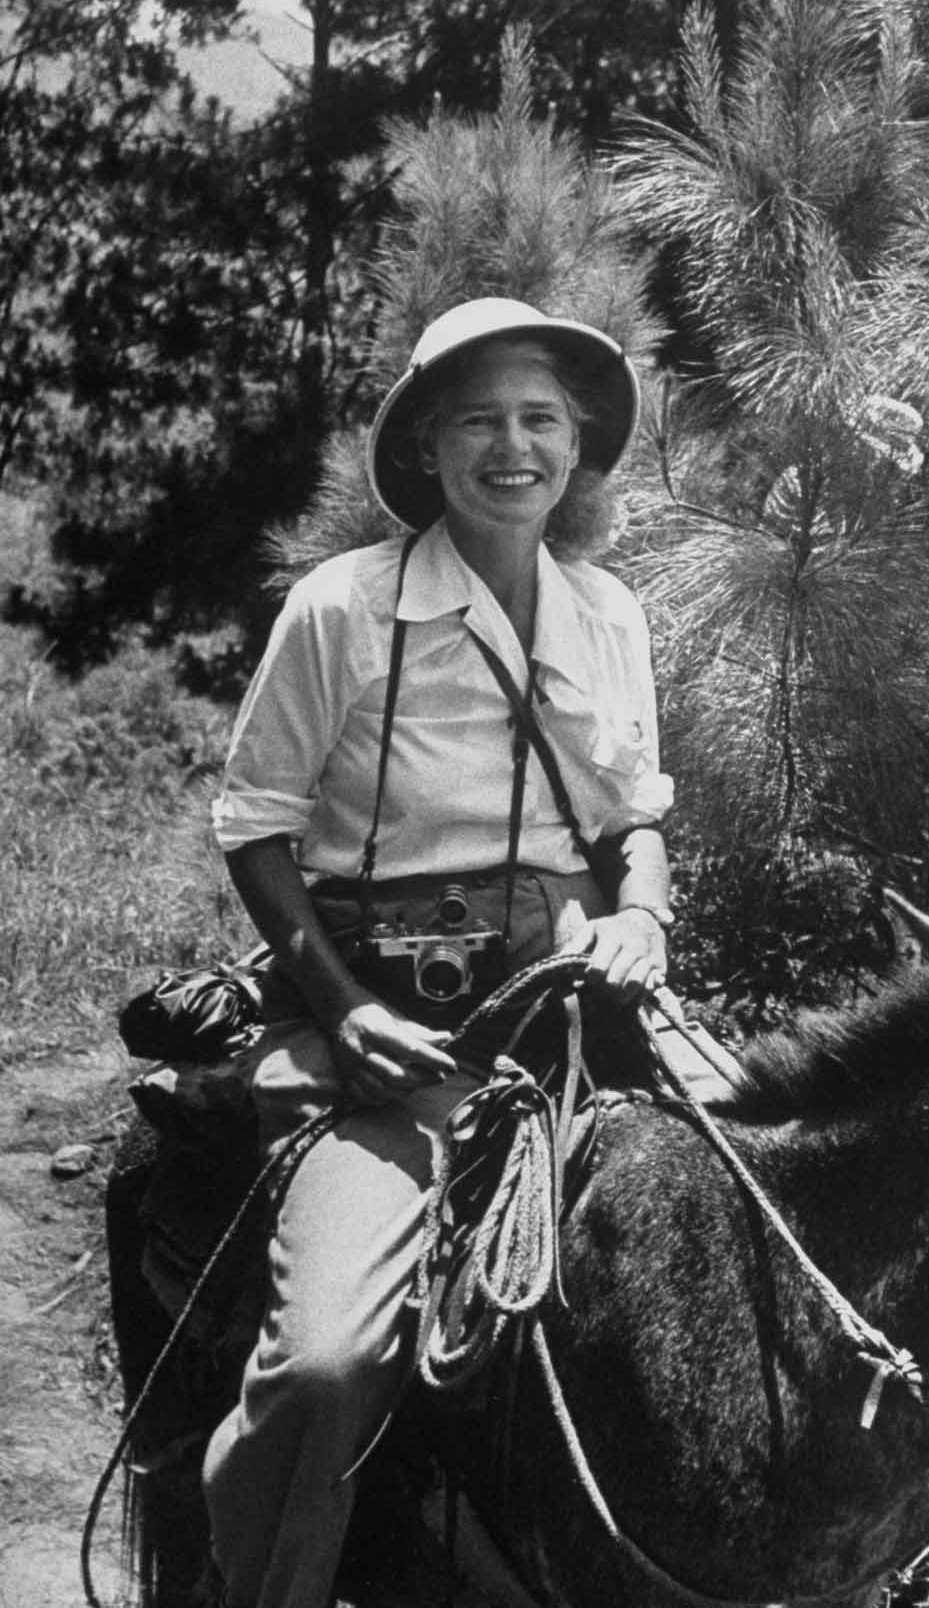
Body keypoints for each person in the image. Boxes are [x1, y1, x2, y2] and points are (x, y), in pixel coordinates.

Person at [202, 297, 675, 1608]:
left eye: (540, 420)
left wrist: (644, 916)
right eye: (479, 420)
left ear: (577, 448)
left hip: (576, 1013)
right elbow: (255, 825)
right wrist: (341, 1009)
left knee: (766, 1221)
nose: (512, 447)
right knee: (330, 1363)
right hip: (392, 1033)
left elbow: (637, 815)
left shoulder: (610, 616)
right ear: (425, 447)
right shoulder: (341, 610)